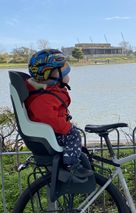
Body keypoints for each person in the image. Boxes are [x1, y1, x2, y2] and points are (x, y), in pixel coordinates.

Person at [25, 49, 93, 179]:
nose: (68, 74)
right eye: (64, 71)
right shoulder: (44, 98)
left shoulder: (49, 92)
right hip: (50, 136)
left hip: (51, 132)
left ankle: (74, 160)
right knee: (74, 135)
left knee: (74, 133)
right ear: (50, 75)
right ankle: (72, 165)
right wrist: (67, 127)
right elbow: (49, 119)